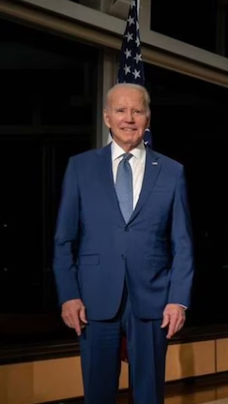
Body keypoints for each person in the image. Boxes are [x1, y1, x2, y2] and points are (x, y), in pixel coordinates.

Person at [53, 83, 193, 404]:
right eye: (120, 110)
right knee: (98, 394)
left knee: (149, 395)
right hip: (93, 300)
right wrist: (69, 295)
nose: (129, 118)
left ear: (147, 118)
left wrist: (178, 300)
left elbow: (182, 243)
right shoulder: (80, 167)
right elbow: (64, 240)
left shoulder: (171, 171)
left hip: (154, 302)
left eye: (137, 111)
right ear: (107, 118)